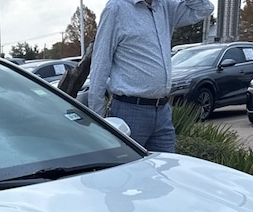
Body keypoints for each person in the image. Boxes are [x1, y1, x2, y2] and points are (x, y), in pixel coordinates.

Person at [87, 0, 214, 152]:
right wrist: (99, 119)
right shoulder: (116, 9)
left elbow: (204, 8)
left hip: (162, 112)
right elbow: (100, 63)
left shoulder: (165, 6)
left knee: (164, 172)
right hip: (130, 111)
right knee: (128, 173)